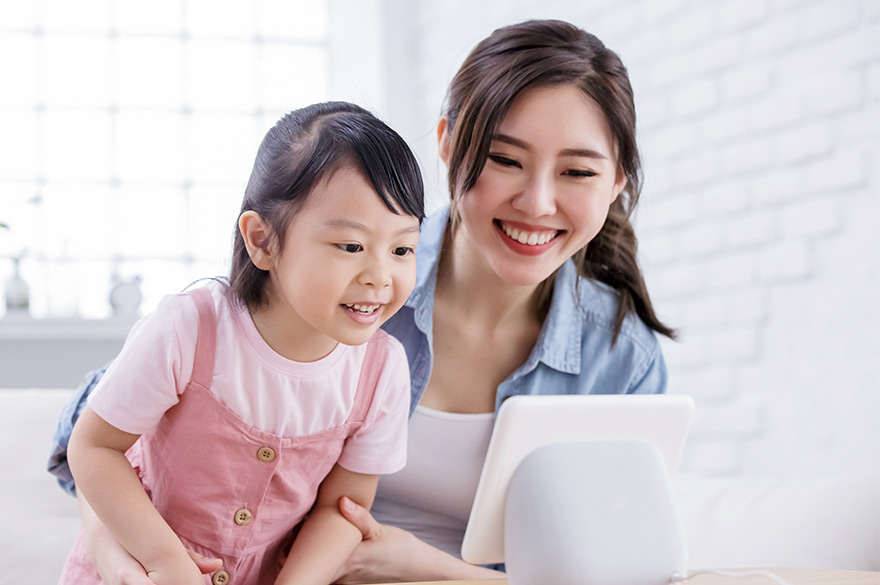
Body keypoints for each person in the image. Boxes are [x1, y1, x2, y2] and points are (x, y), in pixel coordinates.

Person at [50, 19, 675, 583]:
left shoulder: (621, 357)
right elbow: (96, 434)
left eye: (578, 172)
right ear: (450, 146)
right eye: (505, 159)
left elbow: (615, 569)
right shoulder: (340, 277)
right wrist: (115, 549)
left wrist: (429, 568)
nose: (538, 203)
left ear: (616, 182)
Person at [56, 101, 425, 585]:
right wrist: (166, 563)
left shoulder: (382, 370)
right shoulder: (189, 328)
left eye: (402, 249)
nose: (380, 275)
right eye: (351, 246)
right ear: (263, 241)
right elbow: (95, 448)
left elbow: (344, 508)